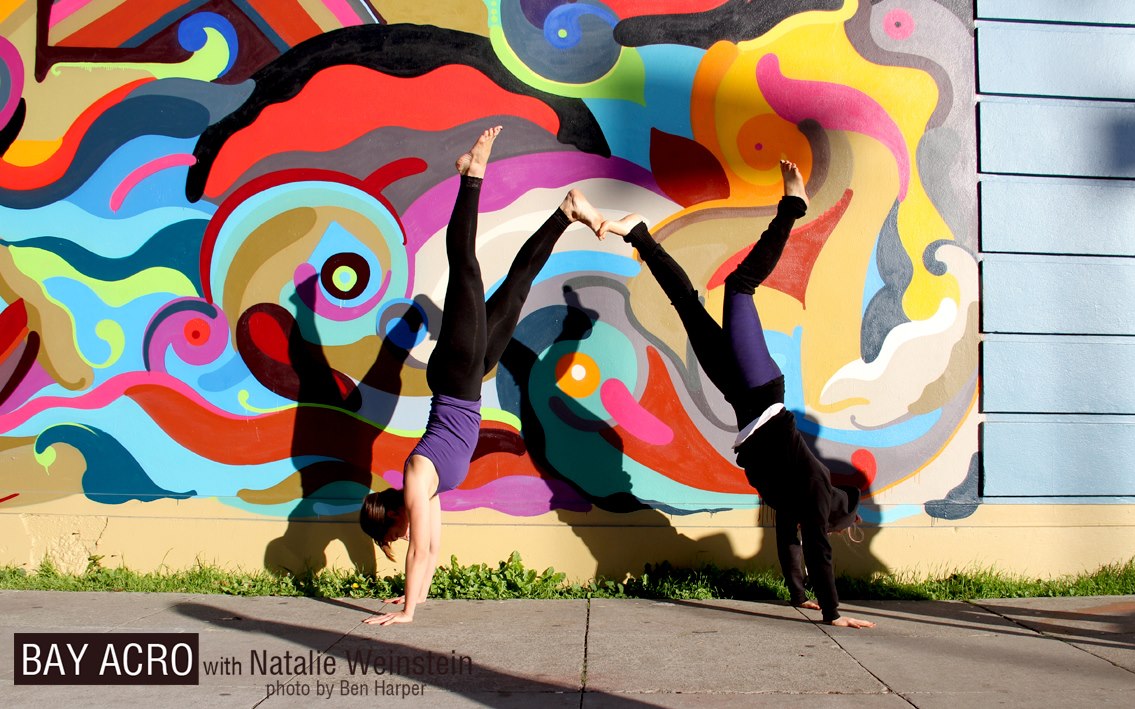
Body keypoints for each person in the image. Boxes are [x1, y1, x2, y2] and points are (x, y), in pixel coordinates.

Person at [598, 160, 875, 628]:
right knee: (739, 286)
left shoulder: (798, 503)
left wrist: (799, 596)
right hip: (759, 390)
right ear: (831, 513)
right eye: (826, 527)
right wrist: (833, 614)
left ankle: (640, 236)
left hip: (741, 398)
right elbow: (817, 552)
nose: (817, 532)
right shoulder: (811, 488)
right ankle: (792, 207)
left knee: (688, 306)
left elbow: (789, 541)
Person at [359, 126, 604, 624]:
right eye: (394, 541)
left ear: (389, 518)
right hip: (472, 380)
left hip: (453, 377)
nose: (401, 538)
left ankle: (472, 174)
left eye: (392, 535)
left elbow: (419, 552)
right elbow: (432, 548)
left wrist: (404, 613)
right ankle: (566, 212)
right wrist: (415, 600)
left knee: (465, 267)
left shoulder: (414, 481)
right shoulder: (427, 492)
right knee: (517, 289)